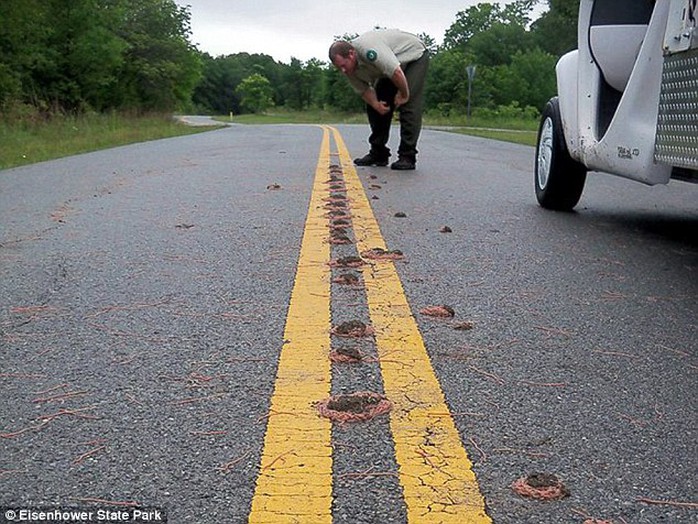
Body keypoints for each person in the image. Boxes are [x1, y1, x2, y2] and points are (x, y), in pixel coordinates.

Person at [329, 29, 429, 170]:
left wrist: (404, 94)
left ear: (351, 54)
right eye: (339, 68)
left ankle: (407, 156)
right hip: (391, 69)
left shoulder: (369, 50)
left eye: (343, 66)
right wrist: (376, 105)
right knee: (376, 104)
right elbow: (364, 90)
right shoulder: (349, 69)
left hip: (413, 56)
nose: (343, 71)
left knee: (408, 105)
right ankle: (379, 153)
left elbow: (396, 72)